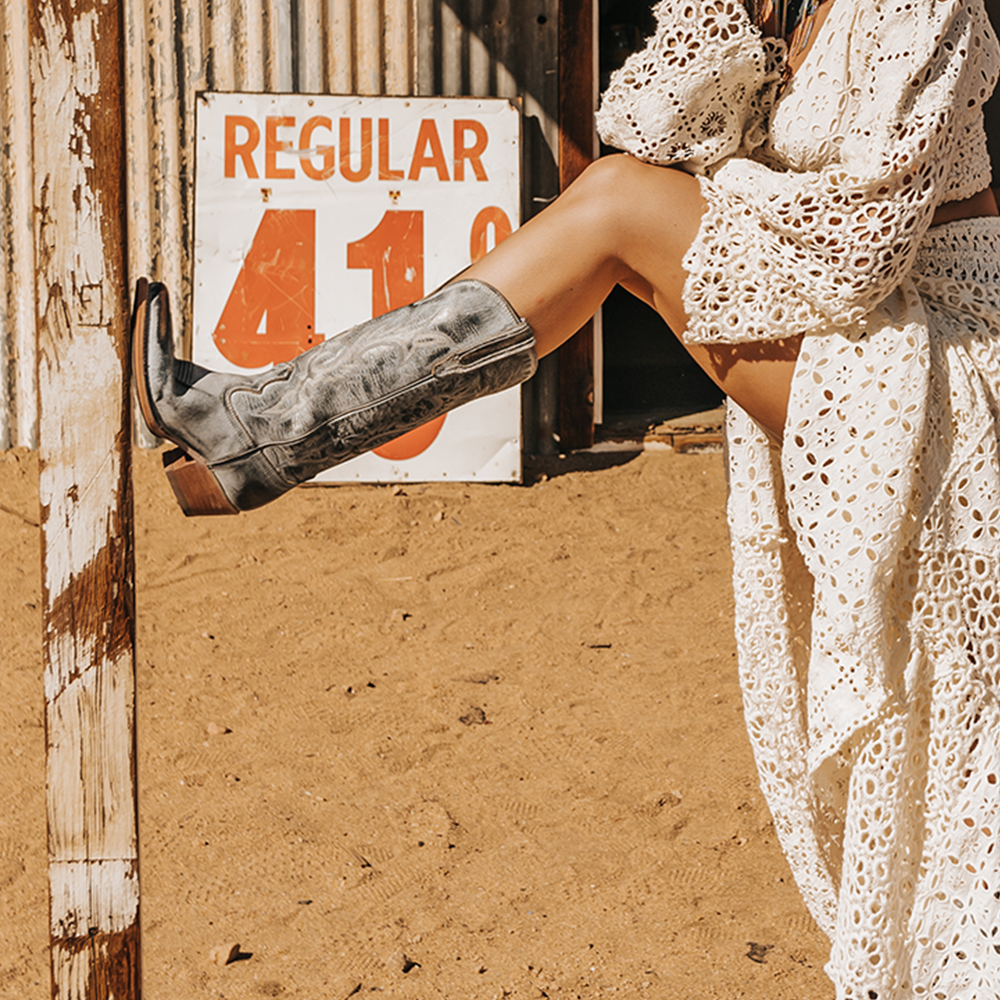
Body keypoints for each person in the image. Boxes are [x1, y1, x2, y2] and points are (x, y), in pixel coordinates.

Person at [134, 0, 1000, 995]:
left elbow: (857, 253)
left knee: (623, 209)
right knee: (619, 200)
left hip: (940, 353)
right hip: (858, 338)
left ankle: (264, 428)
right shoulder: (787, 14)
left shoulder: (921, 8)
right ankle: (262, 427)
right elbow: (666, 125)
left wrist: (720, 196)